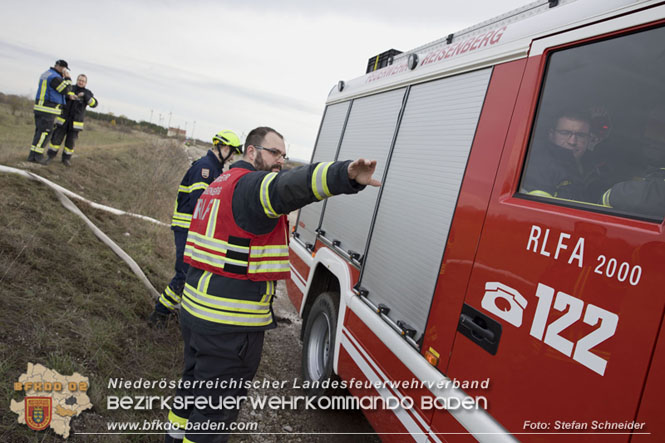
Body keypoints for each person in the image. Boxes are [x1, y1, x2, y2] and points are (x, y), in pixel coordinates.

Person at [164, 126, 380, 443]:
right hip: (228, 326)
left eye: (284, 155)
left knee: (191, 390)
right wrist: (342, 175)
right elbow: (289, 187)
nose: (280, 160)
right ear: (251, 152)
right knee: (214, 414)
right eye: (274, 153)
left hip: (197, 314)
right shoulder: (252, 185)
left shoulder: (219, 185)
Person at [149, 130, 243, 329]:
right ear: (223, 147)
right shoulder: (205, 168)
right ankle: (160, 313)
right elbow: (201, 203)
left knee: (191, 273)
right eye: (232, 151)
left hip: (193, 229)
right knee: (184, 274)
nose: (233, 156)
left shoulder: (215, 168)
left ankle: (178, 310)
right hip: (186, 227)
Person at [601, 107, 665, 219]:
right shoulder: (626, 158)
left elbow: (609, 198)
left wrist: (614, 193)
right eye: (651, 125)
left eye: (659, 127)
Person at [522, 110, 592, 201]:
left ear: (589, 139)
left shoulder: (599, 167)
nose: (572, 141)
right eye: (565, 133)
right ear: (551, 134)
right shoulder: (539, 168)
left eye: (580, 135)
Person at [41, 74, 98, 166]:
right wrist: (69, 97)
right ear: (77, 80)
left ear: (86, 83)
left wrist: (85, 96)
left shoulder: (88, 93)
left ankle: (66, 159)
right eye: (79, 80)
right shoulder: (70, 88)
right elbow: (61, 96)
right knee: (55, 140)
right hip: (63, 120)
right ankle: (50, 157)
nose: (81, 82)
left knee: (70, 143)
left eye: (83, 81)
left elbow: (94, 104)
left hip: (75, 123)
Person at [27, 60, 75, 163]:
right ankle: (37, 157)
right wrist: (68, 78)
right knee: (45, 133)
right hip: (48, 110)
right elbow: (66, 89)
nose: (64, 72)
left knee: (39, 133)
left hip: (40, 108)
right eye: (65, 70)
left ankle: (32, 156)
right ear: (61, 68)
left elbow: (52, 91)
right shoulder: (55, 77)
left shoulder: (46, 74)